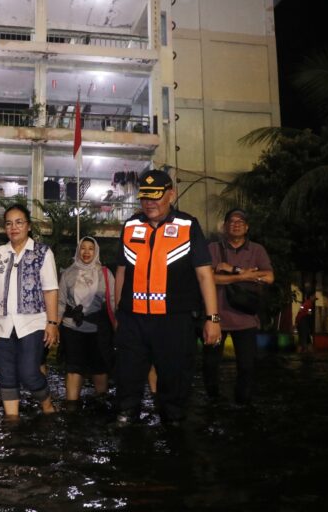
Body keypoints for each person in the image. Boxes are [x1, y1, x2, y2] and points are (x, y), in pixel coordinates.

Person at [114, 170, 221, 425]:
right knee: (127, 376)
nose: (149, 203)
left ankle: (173, 425)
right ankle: (126, 419)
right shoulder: (131, 226)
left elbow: (204, 274)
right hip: (133, 319)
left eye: (155, 196)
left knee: (175, 379)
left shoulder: (188, 225)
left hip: (174, 320)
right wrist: (119, 313)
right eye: (145, 197)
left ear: (171, 194)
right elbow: (121, 272)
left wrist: (212, 318)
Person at [0, 203, 58, 418]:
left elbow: (50, 290)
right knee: (6, 376)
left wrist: (52, 323)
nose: (14, 227)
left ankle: (47, 404)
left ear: (28, 226)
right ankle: (12, 421)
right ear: (5, 228)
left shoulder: (42, 253)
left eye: (19, 222)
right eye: (9, 223)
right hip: (1, 326)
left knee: (29, 373)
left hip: (33, 323)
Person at [203, 208, 274, 405]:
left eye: (240, 222)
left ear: (247, 227)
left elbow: (269, 277)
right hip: (216, 318)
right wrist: (245, 276)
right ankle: (213, 401)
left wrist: (233, 270)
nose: (236, 225)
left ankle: (242, 403)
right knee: (210, 366)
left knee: (247, 366)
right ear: (225, 226)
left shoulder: (257, 250)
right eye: (232, 221)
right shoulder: (213, 248)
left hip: (246, 319)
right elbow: (208, 278)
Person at [57, 236, 116, 406]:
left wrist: (118, 326)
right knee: (73, 369)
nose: (86, 252)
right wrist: (54, 327)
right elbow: (60, 303)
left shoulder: (105, 274)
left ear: (96, 252)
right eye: (83, 248)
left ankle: (101, 404)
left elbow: (113, 302)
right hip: (71, 329)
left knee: (100, 368)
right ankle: (71, 409)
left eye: (91, 248)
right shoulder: (68, 273)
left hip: (98, 330)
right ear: (78, 251)